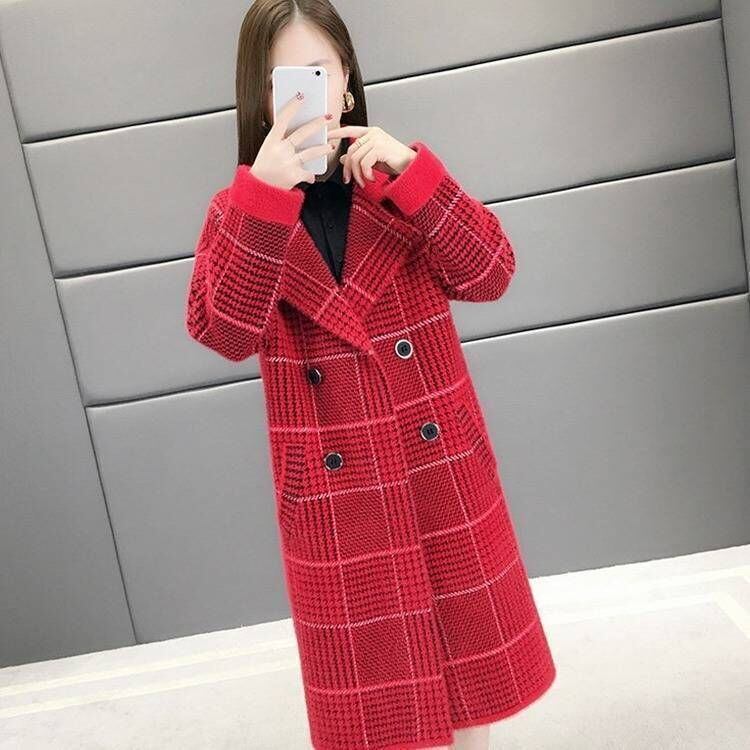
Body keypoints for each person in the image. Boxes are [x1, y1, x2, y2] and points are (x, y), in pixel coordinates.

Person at [184, 2, 557, 748]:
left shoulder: (394, 182)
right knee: (377, 704)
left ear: (347, 80)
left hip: (437, 468)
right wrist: (264, 201)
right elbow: (224, 331)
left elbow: (492, 273)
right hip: (337, 499)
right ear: (259, 98)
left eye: (319, 72)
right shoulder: (239, 212)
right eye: (284, 80)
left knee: (470, 679)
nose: (306, 94)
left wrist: (416, 175)